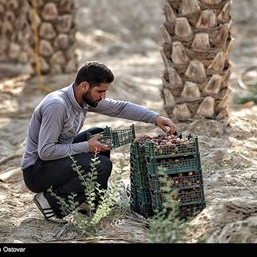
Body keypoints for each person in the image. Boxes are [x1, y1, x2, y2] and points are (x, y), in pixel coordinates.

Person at [21, 61, 177, 223]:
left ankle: (91, 202)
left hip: (54, 162)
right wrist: (87, 146)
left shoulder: (83, 99)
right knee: (102, 165)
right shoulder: (57, 106)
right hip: (37, 171)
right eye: (100, 91)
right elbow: (46, 151)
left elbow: (120, 108)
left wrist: (155, 118)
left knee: (99, 136)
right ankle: (50, 202)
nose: (103, 97)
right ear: (84, 86)